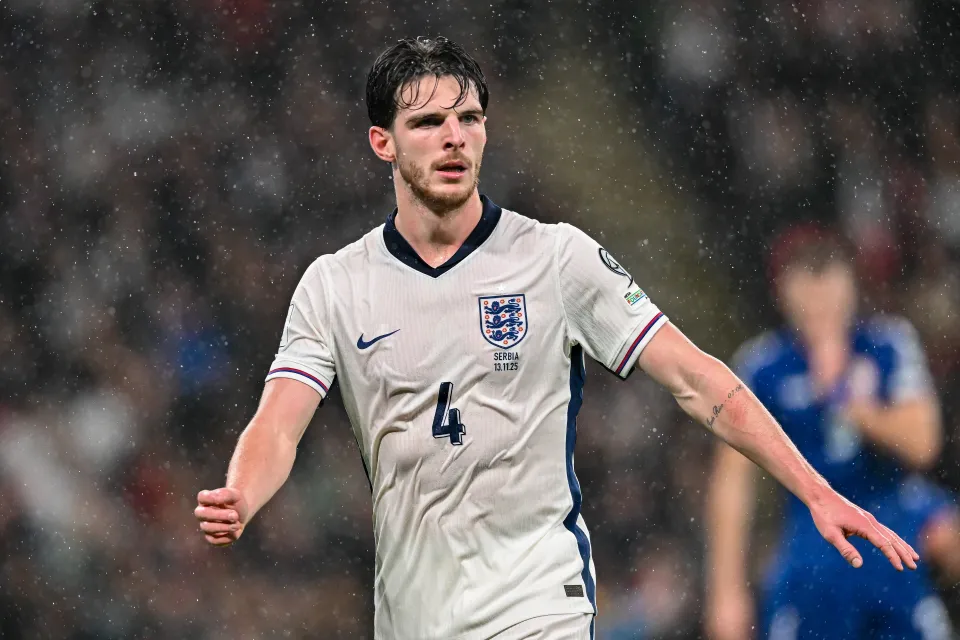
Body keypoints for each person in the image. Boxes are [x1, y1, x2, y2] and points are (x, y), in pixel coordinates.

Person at [194, 37, 918, 640]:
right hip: (412, 616)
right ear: (382, 142)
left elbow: (699, 381)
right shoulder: (335, 283)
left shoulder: (555, 258)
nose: (454, 136)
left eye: (469, 118)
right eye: (428, 123)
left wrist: (815, 491)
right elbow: (278, 425)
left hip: (540, 604)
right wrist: (242, 493)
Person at [704, 225, 960, 640]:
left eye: (829, 276)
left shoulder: (887, 344)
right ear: (782, 291)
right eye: (805, 279)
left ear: (851, 282)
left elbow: (923, 442)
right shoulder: (762, 365)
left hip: (888, 536)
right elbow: (733, 483)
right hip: (811, 550)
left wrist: (846, 401)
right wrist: (726, 590)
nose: (819, 295)